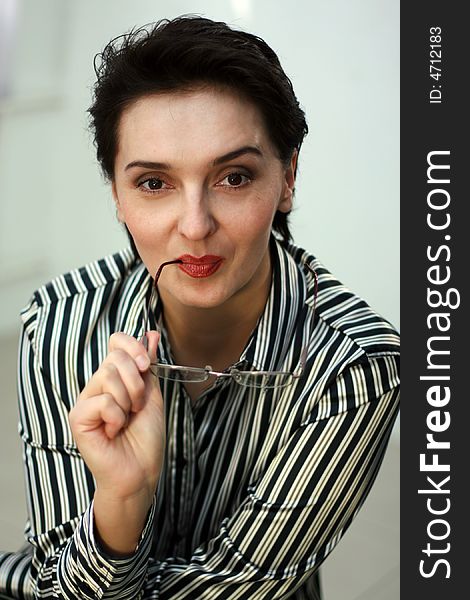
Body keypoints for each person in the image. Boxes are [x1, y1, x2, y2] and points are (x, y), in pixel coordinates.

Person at [0, 15, 400, 600]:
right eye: (154, 184)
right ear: (116, 193)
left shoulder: (352, 368)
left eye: (234, 177)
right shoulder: (63, 324)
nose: (195, 226)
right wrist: (121, 502)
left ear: (287, 177)